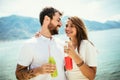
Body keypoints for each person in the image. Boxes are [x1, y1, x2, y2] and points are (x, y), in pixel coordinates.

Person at [15, 7, 67, 80]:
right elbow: (18, 74)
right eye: (58, 20)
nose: (60, 24)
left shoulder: (62, 44)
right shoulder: (29, 45)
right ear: (47, 19)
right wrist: (38, 71)